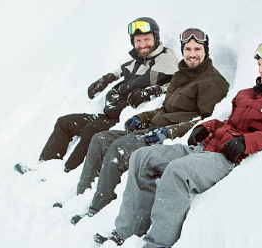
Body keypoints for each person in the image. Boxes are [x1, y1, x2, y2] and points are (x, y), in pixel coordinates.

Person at [94, 43, 262, 248]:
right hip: (207, 146)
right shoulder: (247, 94)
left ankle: (158, 246)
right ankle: (128, 229)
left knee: (177, 172)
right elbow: (229, 122)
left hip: (225, 158)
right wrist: (207, 126)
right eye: (259, 64)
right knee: (142, 157)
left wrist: (247, 141)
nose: (260, 70)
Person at [68, 28, 230, 224]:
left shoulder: (212, 82)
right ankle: (81, 198)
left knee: (118, 148)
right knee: (100, 138)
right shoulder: (181, 75)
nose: (192, 54)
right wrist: (142, 117)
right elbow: (164, 108)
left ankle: (99, 208)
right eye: (188, 49)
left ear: (206, 50)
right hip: (153, 127)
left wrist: (168, 132)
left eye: (197, 49)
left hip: (168, 136)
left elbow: (206, 122)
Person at [14, 17, 178, 174]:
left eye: (146, 39)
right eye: (138, 41)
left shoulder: (165, 58)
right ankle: (45, 164)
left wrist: (154, 90)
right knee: (65, 122)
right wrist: (107, 78)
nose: (142, 45)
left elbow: (179, 82)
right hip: (109, 115)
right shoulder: (138, 59)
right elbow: (121, 69)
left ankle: (66, 173)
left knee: (91, 130)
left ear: (155, 38)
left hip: (124, 121)